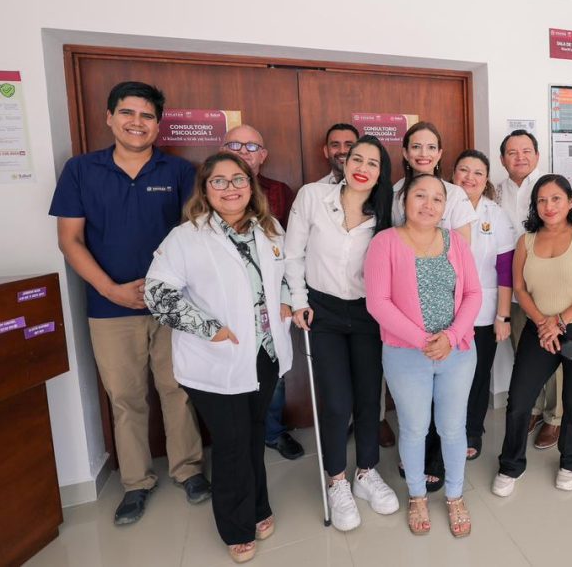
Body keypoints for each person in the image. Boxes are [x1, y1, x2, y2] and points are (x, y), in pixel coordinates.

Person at [49, 81, 209, 526]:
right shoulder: (81, 170)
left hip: (173, 305)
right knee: (125, 398)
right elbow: (70, 239)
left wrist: (169, 291)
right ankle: (136, 483)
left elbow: (196, 237)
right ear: (109, 117)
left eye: (146, 116)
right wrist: (110, 289)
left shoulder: (179, 172)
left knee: (178, 390)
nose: (137, 122)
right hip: (109, 308)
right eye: (127, 113)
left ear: (158, 124)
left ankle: (188, 470)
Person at [145, 153, 293, 563]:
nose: (231, 188)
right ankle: (236, 527)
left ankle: (259, 506)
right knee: (231, 444)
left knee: (253, 435)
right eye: (220, 181)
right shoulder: (186, 237)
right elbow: (157, 293)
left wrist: (286, 299)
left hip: (264, 353)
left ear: (251, 184)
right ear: (205, 189)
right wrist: (209, 327)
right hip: (217, 358)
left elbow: (286, 274)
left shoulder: (270, 228)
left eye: (238, 179)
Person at [284, 136, 400, 531]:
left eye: (373, 163)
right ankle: (337, 480)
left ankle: (366, 472)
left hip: (370, 313)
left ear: (382, 173)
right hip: (324, 311)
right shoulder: (313, 197)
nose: (363, 167)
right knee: (336, 402)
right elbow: (293, 253)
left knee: (369, 396)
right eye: (357, 159)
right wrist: (297, 300)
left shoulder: (387, 210)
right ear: (344, 162)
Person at [365, 174, 482, 537]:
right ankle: (417, 495)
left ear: (444, 207)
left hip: (457, 351)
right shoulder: (385, 242)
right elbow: (378, 303)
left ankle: (455, 495)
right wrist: (423, 340)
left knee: (452, 428)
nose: (428, 205)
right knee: (415, 428)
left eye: (436, 199)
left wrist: (450, 336)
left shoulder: (455, 242)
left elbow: (473, 294)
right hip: (405, 354)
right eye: (420, 196)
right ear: (404, 201)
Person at [494, 175, 572, 496]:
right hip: (540, 329)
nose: (549, 206)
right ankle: (510, 465)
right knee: (519, 400)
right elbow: (519, 288)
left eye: (556, 198)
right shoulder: (526, 241)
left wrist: (559, 321)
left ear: (571, 201)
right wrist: (543, 323)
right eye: (541, 200)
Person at [390, 122, 478, 488]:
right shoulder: (394, 192)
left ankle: (438, 462)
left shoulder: (454, 194)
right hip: (405, 325)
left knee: (449, 412)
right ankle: (416, 462)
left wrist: (451, 332)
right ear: (406, 152)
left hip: (449, 314)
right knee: (415, 410)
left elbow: (463, 263)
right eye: (416, 146)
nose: (423, 153)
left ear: (440, 153)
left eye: (431, 147)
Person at [220, 125, 304, 461]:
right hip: (225, 303)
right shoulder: (206, 188)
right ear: (222, 150)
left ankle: (272, 432)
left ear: (263, 155)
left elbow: (291, 250)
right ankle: (239, 440)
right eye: (235, 144)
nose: (244, 151)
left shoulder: (280, 192)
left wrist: (288, 297)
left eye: (252, 146)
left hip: (270, 301)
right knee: (230, 372)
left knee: (274, 371)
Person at [496, 129, 563, 449]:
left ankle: (556, 416)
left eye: (526, 151)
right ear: (502, 159)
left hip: (550, 286)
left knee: (553, 349)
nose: (519, 157)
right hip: (514, 288)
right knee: (524, 354)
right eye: (512, 152)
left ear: (537, 155)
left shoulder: (552, 187)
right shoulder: (494, 192)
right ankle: (534, 408)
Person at [451, 150, 515, 460]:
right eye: (464, 170)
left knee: (478, 374)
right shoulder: (439, 205)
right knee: (445, 373)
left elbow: (505, 268)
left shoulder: (495, 214)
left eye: (478, 172)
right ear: (453, 173)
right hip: (444, 307)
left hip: (484, 310)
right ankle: (445, 430)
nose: (470, 177)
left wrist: (503, 315)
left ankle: (472, 429)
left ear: (486, 178)